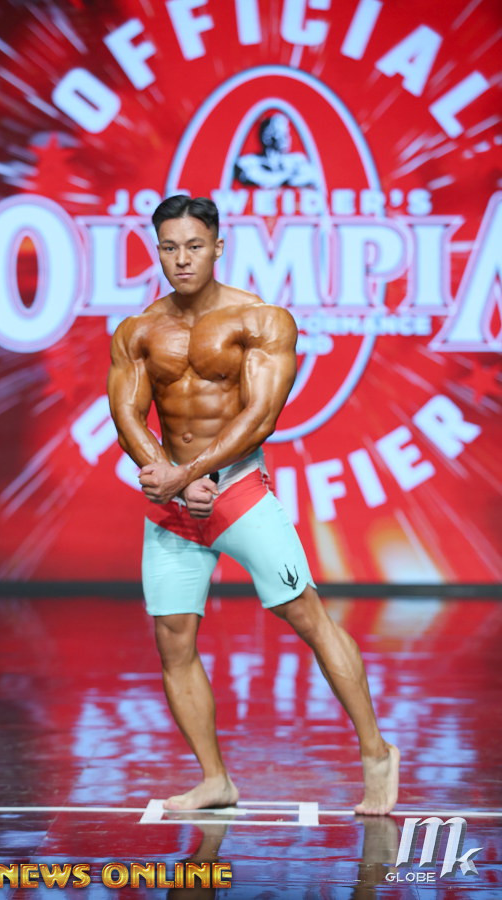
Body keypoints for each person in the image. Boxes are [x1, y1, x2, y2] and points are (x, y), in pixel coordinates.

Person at [107, 195, 400, 815]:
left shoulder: (262, 319)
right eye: (169, 247)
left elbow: (262, 415)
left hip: (236, 490)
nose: (182, 259)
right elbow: (127, 413)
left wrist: (189, 473)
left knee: (307, 616)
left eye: (194, 246)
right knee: (173, 638)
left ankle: (376, 752)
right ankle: (216, 779)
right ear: (157, 251)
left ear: (217, 247)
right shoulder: (139, 330)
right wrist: (165, 476)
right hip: (174, 504)